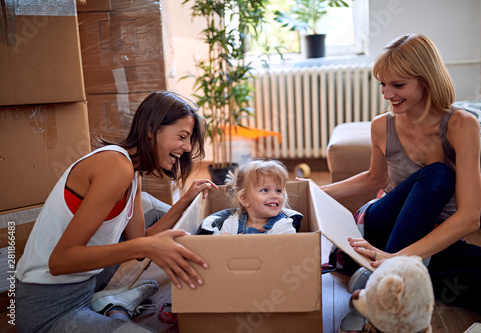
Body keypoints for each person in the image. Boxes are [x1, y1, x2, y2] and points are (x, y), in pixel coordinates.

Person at [299, 34, 481, 331]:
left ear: (426, 80)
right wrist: (310, 190)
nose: (386, 93)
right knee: (439, 174)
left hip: (427, 240)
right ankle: (384, 283)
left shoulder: (460, 125)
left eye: (397, 85)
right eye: (382, 83)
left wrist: (399, 257)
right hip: (381, 228)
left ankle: (384, 282)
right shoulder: (382, 126)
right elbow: (374, 179)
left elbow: (469, 218)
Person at [16, 91, 218, 332]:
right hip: (48, 310)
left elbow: (140, 241)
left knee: (146, 205)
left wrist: (186, 200)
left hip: (85, 286)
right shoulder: (115, 166)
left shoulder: (132, 171)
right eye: (182, 136)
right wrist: (147, 246)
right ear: (152, 129)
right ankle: (114, 308)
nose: (186, 147)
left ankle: (113, 305)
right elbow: (59, 261)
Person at [198, 159, 302, 235]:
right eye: (265, 190)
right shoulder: (232, 223)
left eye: (278, 190)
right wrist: (222, 240)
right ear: (245, 199)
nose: (275, 195)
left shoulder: (284, 226)